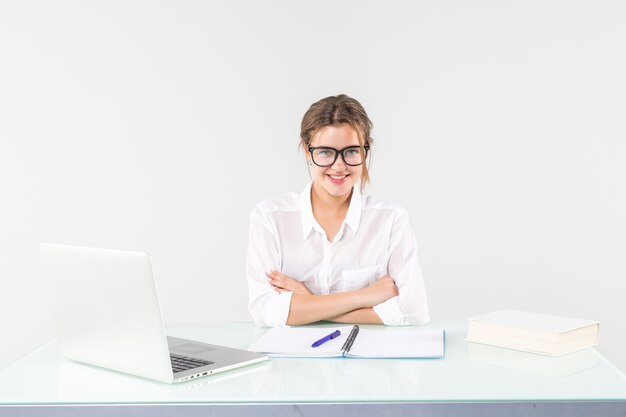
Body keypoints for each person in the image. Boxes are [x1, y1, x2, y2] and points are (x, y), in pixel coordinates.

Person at [246, 94, 430, 327]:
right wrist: (363, 297)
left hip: (370, 358)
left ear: (365, 152)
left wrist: (308, 302)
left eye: (351, 151)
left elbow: (414, 312)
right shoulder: (270, 218)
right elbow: (265, 311)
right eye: (325, 152)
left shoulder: (391, 220)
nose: (339, 165)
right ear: (307, 151)